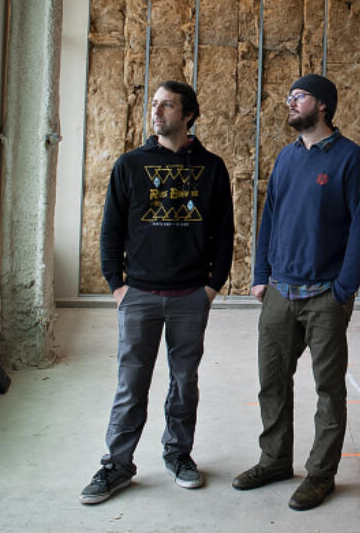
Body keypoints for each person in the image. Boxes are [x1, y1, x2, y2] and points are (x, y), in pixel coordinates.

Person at [232, 73, 360, 511]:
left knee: (328, 389)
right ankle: (275, 460)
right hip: (279, 289)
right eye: (289, 97)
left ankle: (320, 474)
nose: (290, 103)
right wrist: (261, 274)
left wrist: (343, 290)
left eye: (299, 97)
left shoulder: (352, 160)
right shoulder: (286, 158)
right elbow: (270, 219)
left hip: (324, 296)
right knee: (272, 381)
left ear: (323, 105)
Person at [80, 81, 233, 505]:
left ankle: (179, 454)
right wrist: (118, 287)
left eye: (167, 105)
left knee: (184, 381)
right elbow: (110, 231)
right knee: (131, 382)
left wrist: (211, 287)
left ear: (188, 115)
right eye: (154, 104)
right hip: (140, 294)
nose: (157, 111)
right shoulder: (130, 165)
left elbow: (224, 234)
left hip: (190, 296)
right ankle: (117, 464)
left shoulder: (212, 168)